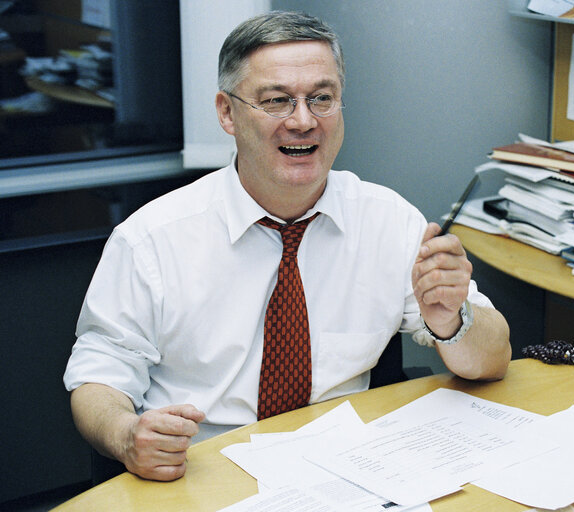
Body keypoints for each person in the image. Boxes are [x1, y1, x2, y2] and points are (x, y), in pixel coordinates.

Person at [64, 11, 511, 482]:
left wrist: (451, 322)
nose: (303, 121)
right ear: (226, 112)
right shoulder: (152, 238)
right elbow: (99, 379)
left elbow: (492, 361)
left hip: (345, 468)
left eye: (322, 98)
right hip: (203, 469)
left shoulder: (389, 219)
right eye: (277, 101)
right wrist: (126, 434)